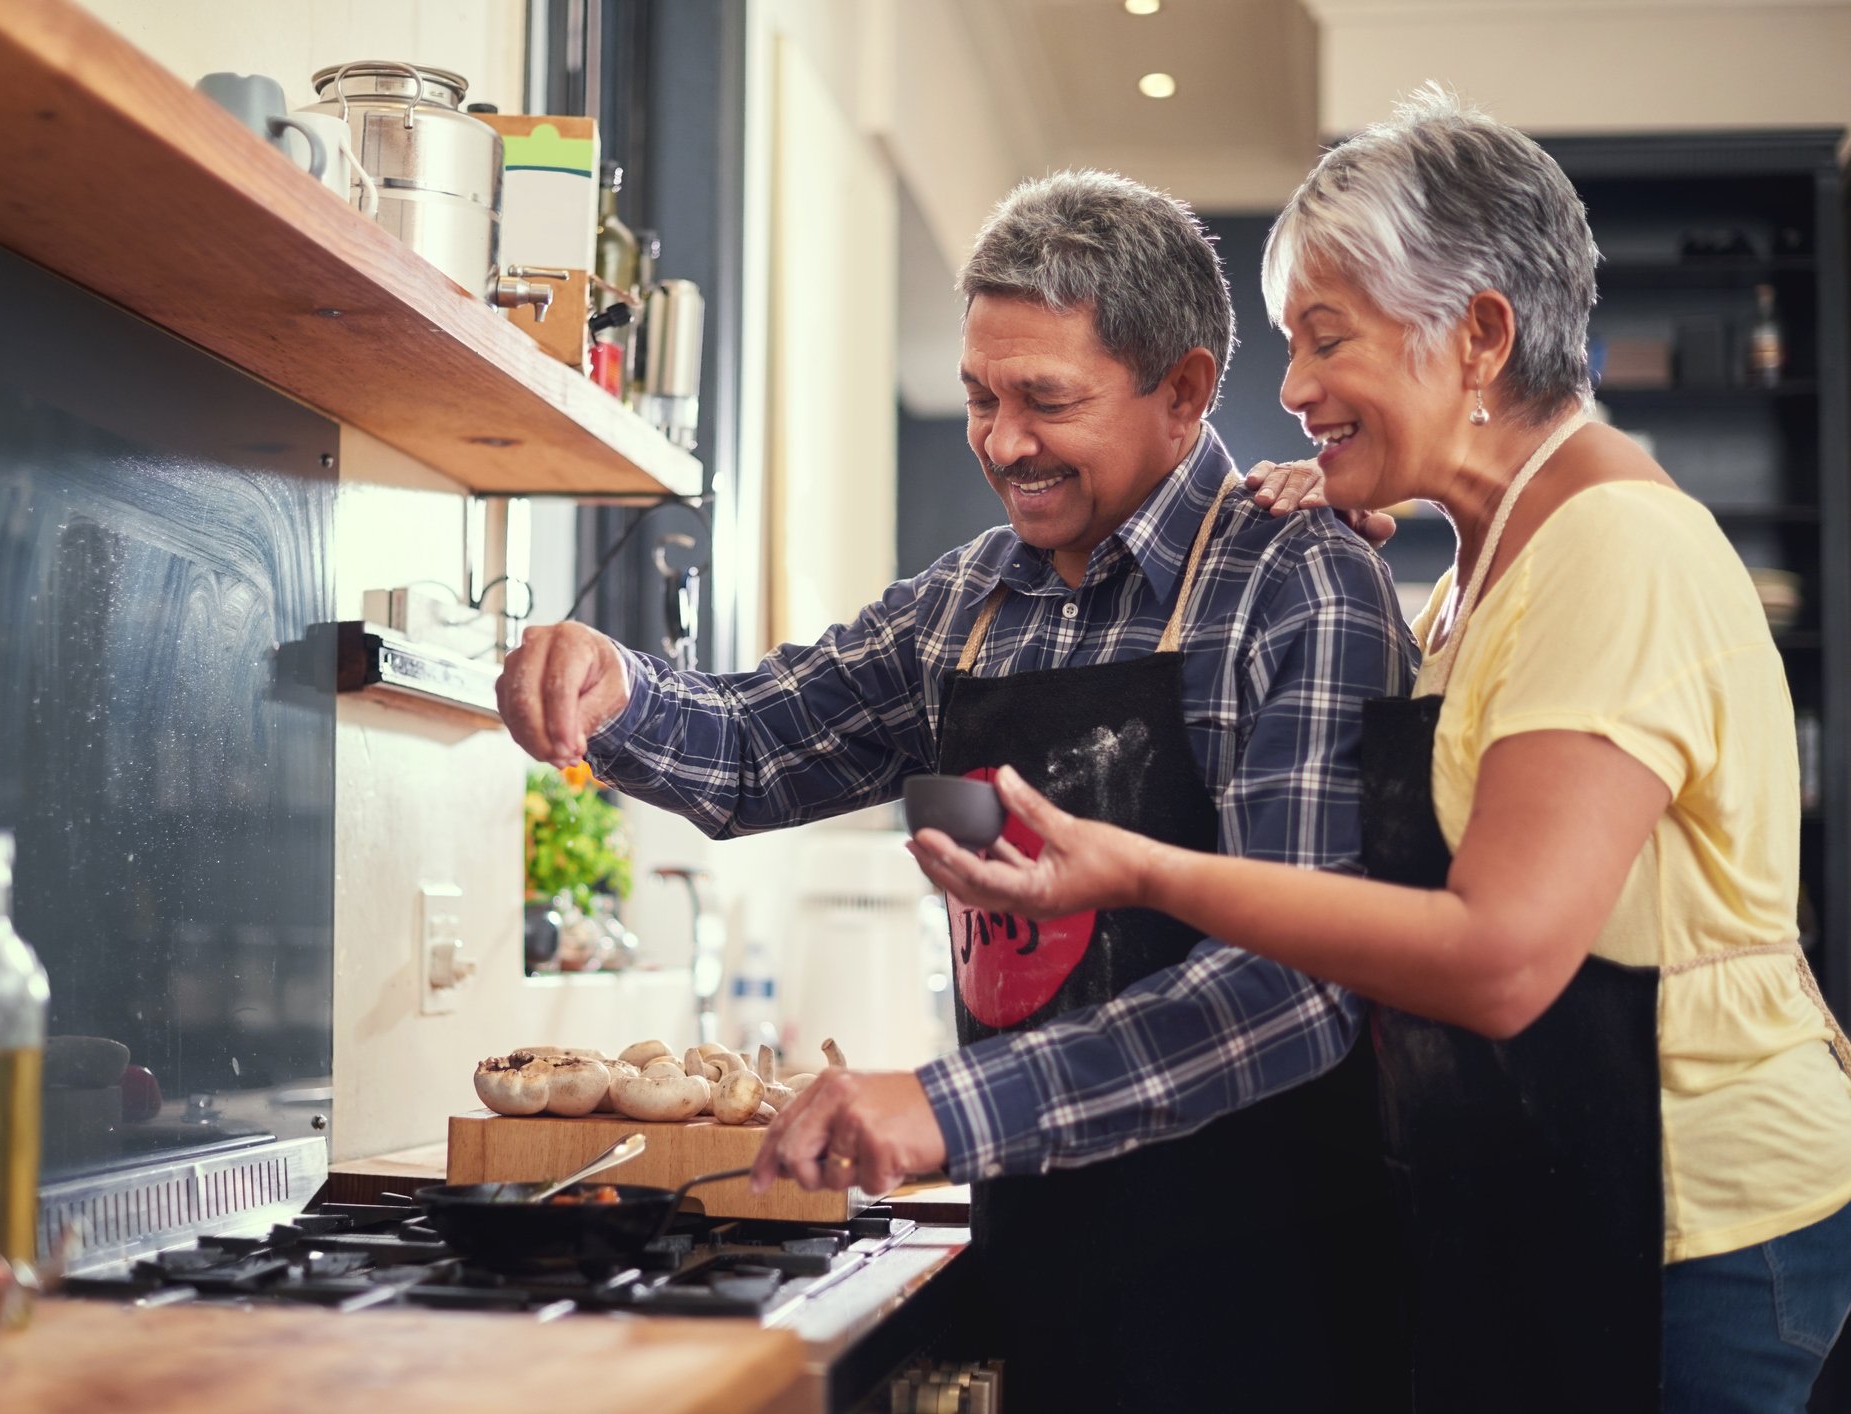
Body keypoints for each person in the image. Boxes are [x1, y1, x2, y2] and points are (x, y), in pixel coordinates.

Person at [908, 91, 1851, 1414]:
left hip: (1696, 1238)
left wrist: (1138, 868)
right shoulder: (1466, 574)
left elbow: (1501, 955)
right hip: (1552, 1210)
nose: (1287, 389)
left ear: (1473, 335)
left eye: (1324, 339)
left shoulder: (1611, 550)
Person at [501, 171, 1417, 1410]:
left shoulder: (1295, 585)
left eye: (1045, 400)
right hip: (1039, 1242)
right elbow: (756, 744)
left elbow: (1298, 981)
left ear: (1186, 390)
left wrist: (944, 1105)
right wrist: (612, 687)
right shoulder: (968, 605)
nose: (997, 441)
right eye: (982, 395)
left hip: (1259, 1276)